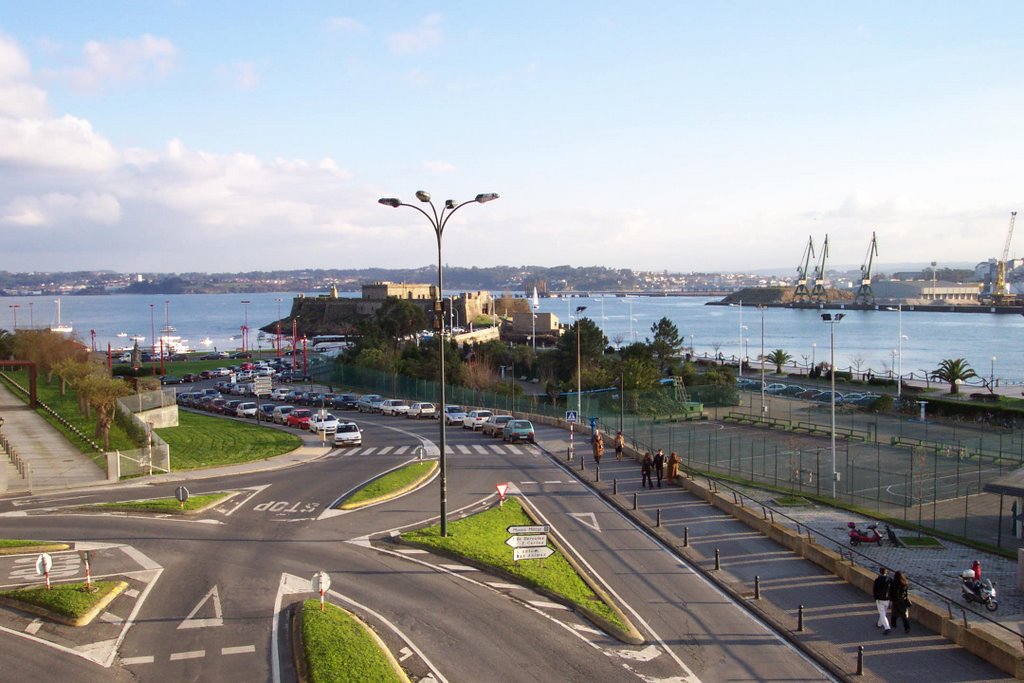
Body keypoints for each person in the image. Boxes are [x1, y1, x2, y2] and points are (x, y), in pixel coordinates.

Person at [873, 567, 893, 635]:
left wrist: (876, 598)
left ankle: (887, 628)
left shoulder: (877, 579)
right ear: (886, 572)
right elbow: (892, 589)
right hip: (887, 599)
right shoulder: (890, 579)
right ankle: (879, 624)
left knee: (882, 613)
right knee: (883, 612)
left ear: (880, 572)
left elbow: (874, 590)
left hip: (880, 599)